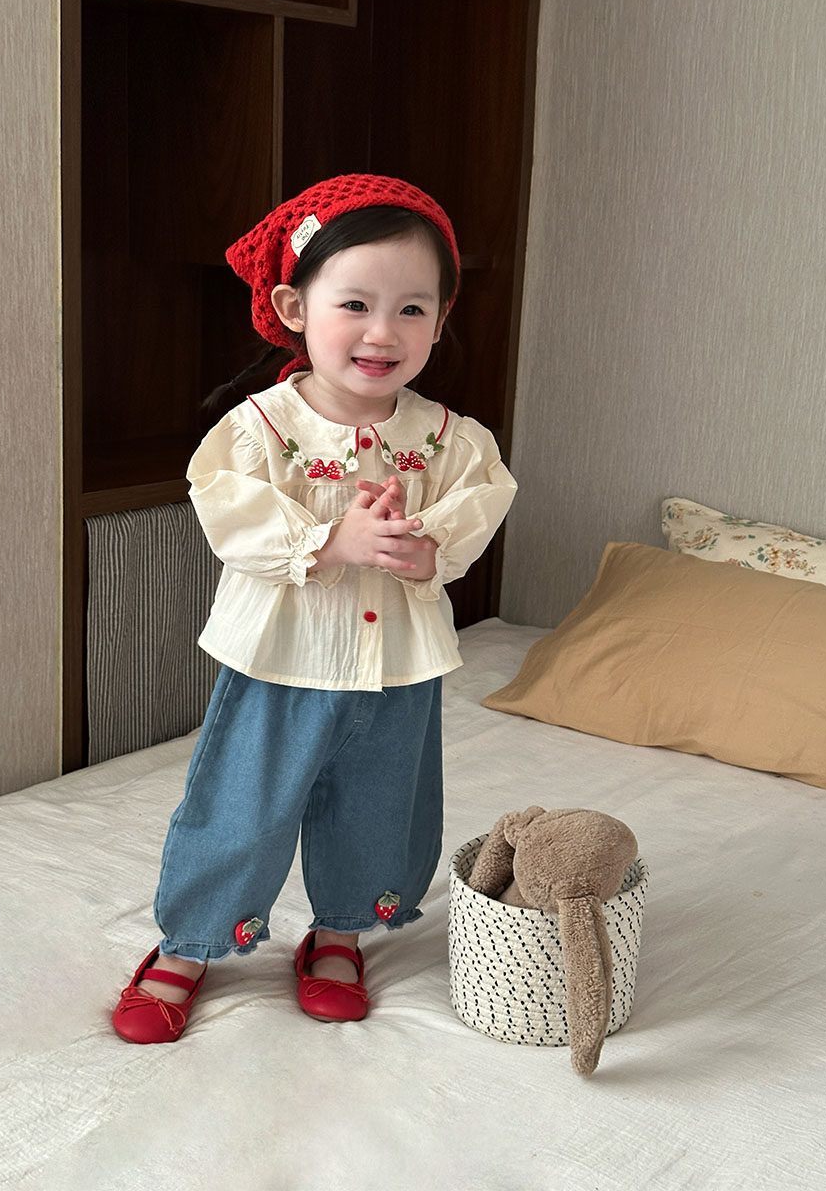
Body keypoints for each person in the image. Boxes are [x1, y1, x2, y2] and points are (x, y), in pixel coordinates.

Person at [111, 173, 517, 1044]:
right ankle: (189, 944)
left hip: (398, 665)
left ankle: (339, 935)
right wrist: (331, 541)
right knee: (242, 807)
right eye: (356, 304)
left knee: (380, 804)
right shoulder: (261, 428)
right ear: (295, 307)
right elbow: (226, 507)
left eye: (412, 309)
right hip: (281, 659)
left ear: (441, 319)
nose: (383, 332)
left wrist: (429, 545)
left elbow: (483, 497)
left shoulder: (450, 439)